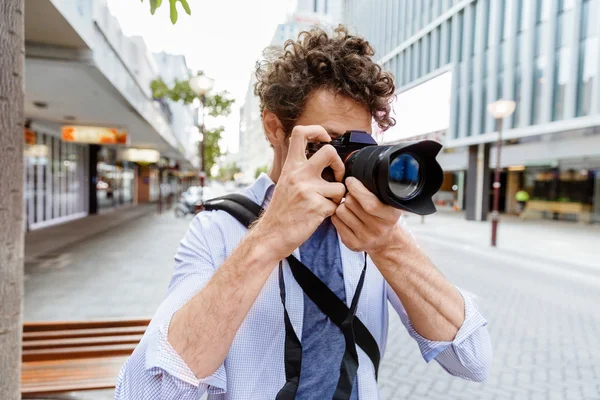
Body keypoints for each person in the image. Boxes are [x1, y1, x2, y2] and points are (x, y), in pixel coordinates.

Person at [115, 26, 492, 399]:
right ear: (274, 127)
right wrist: (266, 241)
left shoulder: (375, 226)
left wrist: (389, 245)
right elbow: (148, 392)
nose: (344, 162)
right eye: (327, 141)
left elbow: (471, 359)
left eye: (358, 146)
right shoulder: (216, 230)